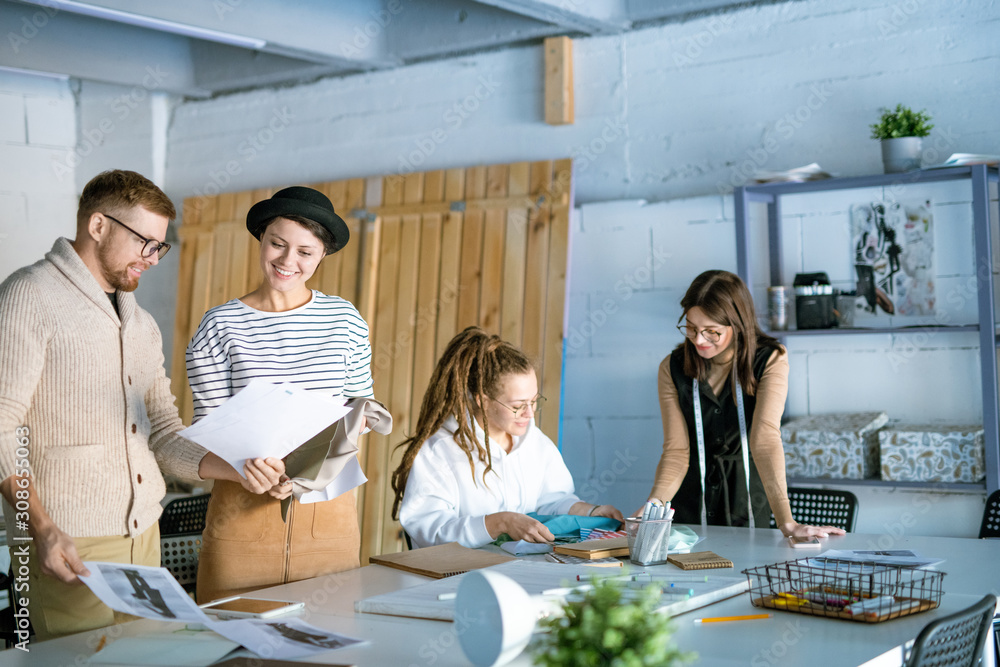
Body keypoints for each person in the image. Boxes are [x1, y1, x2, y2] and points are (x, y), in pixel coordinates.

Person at [0, 170, 284, 640]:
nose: (152, 258)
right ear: (97, 226)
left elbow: (165, 434)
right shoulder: (29, 296)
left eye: (160, 246)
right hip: (67, 541)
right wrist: (42, 528)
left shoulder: (141, 323)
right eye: (143, 242)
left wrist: (241, 468)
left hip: (143, 538)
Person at [186, 186, 376, 604]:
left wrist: (314, 465)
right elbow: (210, 431)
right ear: (262, 239)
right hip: (240, 524)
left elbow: (359, 412)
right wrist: (248, 471)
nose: (288, 261)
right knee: (233, 649)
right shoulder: (219, 326)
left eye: (305, 252)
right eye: (278, 244)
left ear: (322, 255)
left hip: (328, 520)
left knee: (329, 642)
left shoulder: (345, 320)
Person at [643, 270, 845, 540]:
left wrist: (788, 522)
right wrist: (652, 510)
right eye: (691, 327)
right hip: (689, 505)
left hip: (746, 502)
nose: (699, 340)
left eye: (712, 332)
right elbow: (677, 451)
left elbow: (764, 440)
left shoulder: (770, 360)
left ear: (737, 325)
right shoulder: (672, 368)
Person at [392, 326, 624, 548]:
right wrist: (499, 523)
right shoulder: (440, 450)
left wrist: (590, 511)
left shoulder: (536, 442)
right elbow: (428, 529)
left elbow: (552, 501)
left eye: (534, 401)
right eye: (518, 406)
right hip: (455, 579)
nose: (530, 413)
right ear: (482, 400)